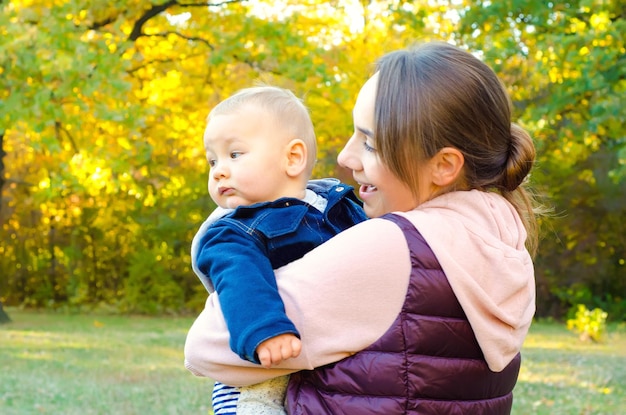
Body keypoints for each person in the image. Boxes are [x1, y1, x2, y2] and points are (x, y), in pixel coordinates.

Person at [185, 41, 538, 414]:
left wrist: (228, 230)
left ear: (444, 165)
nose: (344, 157)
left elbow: (206, 347)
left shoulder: (390, 246)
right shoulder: (502, 233)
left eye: (369, 143)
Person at [190, 85, 367, 415]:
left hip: (325, 351)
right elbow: (240, 279)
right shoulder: (233, 230)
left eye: (235, 154)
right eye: (212, 160)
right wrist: (264, 331)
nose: (219, 170)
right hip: (259, 368)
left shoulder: (337, 204)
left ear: (293, 158)